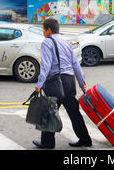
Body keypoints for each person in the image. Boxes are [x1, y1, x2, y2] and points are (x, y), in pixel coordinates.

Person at [33, 18, 92, 149]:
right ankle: (85, 139)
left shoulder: (47, 42)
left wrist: (39, 84)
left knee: (50, 111)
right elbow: (75, 64)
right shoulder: (66, 43)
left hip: (55, 82)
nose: (43, 32)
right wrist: (82, 83)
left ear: (48, 30)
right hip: (69, 81)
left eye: (43, 29)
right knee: (74, 112)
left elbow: (46, 65)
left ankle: (47, 142)